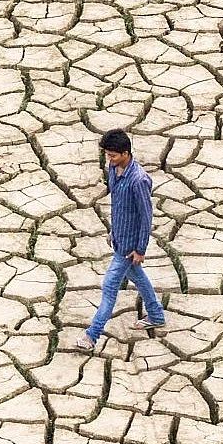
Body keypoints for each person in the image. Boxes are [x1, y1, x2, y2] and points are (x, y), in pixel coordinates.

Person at [76, 129, 165, 350]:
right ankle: (155, 315)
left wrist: (140, 249)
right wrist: (113, 232)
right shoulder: (114, 170)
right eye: (107, 154)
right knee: (138, 278)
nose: (110, 159)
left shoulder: (139, 180)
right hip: (119, 240)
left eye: (113, 155)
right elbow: (118, 206)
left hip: (129, 248)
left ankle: (91, 336)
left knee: (109, 288)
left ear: (126, 153)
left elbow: (146, 217)